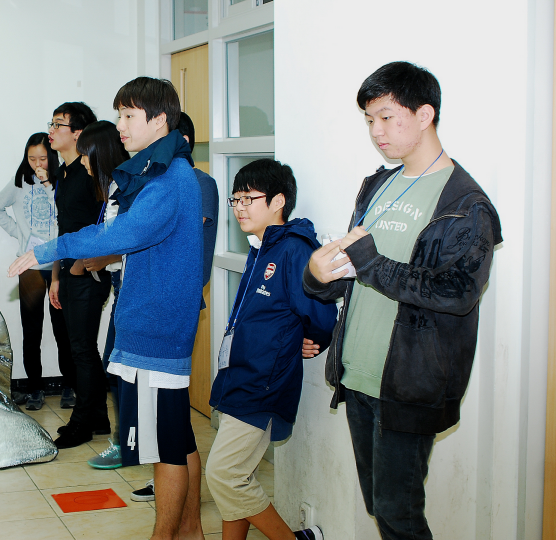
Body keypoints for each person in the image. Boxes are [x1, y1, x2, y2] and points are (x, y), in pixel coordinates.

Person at [303, 61, 502, 540]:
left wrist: (372, 263)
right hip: (357, 373)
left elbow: (457, 293)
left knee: (399, 515)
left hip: (410, 384)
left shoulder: (466, 205)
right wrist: (317, 276)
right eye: (369, 119)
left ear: (425, 114)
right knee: (380, 505)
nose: (376, 131)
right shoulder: (377, 184)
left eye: (387, 117)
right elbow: (352, 272)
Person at [9, 77, 204, 540]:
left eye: (129, 115)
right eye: (119, 115)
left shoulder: (170, 180)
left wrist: (49, 250)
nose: (120, 125)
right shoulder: (160, 172)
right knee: (176, 442)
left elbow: (122, 233)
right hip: (150, 327)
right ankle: (190, 532)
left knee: (166, 451)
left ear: (159, 120)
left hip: (156, 333)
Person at [206, 159, 336, 540]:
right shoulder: (260, 247)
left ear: (278, 200)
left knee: (224, 474)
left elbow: (321, 311)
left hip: (262, 382)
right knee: (237, 475)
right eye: (235, 199)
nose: (239, 208)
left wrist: (315, 338)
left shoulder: (293, 250)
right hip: (238, 375)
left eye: (249, 198)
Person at [126, 111, 219, 494]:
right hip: (148, 308)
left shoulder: (197, 183)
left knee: (172, 423)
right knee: (173, 424)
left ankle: (176, 490)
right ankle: (183, 505)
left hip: (171, 312)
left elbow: (177, 246)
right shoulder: (158, 181)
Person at [0, 133, 72, 410]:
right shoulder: (20, 182)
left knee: (63, 330)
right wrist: (20, 234)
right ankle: (35, 389)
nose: (37, 164)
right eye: (32, 158)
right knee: (32, 331)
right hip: (31, 267)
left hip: (59, 263)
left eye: (43, 158)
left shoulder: (63, 180)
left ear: (53, 157)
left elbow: (63, 211)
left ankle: (69, 386)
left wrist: (48, 183)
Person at [46, 102, 112, 447]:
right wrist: (56, 276)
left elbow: (103, 225)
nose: (51, 130)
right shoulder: (64, 174)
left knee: (82, 349)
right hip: (69, 271)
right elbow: (64, 229)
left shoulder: (91, 174)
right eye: (51, 123)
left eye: (59, 124)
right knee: (80, 349)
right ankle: (98, 416)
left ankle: (82, 423)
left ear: (78, 134)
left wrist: (81, 265)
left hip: (89, 272)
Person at [70, 121, 129, 470]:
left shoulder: (126, 190)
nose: (82, 163)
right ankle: (125, 440)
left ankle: (128, 443)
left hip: (131, 291)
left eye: (85, 156)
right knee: (113, 368)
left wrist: (104, 258)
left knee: (116, 368)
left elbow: (137, 242)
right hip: (121, 287)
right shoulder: (111, 191)